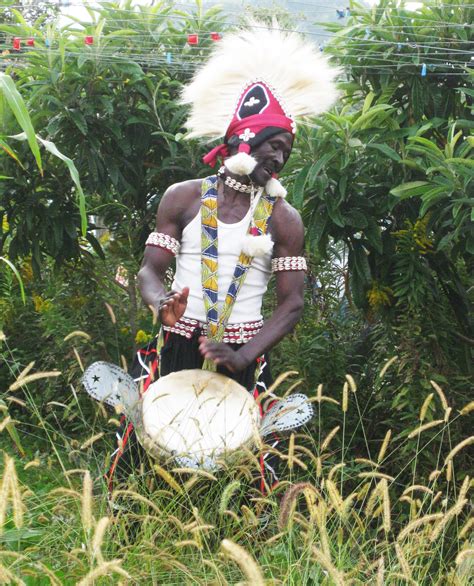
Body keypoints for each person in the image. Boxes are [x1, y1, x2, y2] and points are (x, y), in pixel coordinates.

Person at [107, 22, 339, 490]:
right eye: (273, 145)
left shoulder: (284, 219)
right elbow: (150, 271)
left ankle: (243, 534)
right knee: (150, 441)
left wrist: (243, 354)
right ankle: (130, 522)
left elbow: (292, 303)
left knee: (245, 455)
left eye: (287, 151)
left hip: (244, 350)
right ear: (241, 139)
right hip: (178, 340)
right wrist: (161, 304)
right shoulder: (183, 198)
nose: (280, 158)